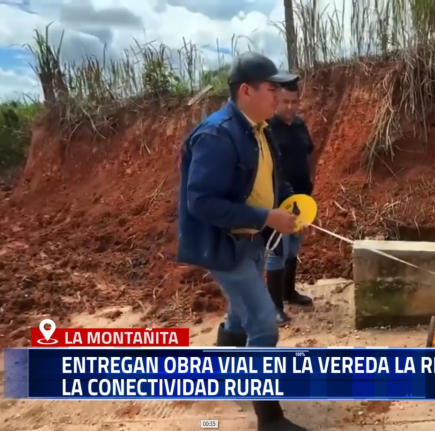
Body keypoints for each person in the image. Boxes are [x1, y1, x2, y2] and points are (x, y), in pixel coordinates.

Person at [177, 52, 308, 431]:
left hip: (253, 241)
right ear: (246, 90)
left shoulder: (259, 128)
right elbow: (200, 200)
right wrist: (267, 217)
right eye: (272, 89)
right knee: (264, 324)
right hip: (225, 246)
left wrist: (289, 206)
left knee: (240, 312)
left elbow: (270, 177)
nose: (278, 96)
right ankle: (270, 419)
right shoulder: (217, 135)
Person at [265, 80, 316, 325]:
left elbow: (309, 153)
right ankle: (274, 307)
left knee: (293, 247)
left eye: (294, 101)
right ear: (276, 100)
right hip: (278, 202)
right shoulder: (267, 129)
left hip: (302, 199)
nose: (290, 106)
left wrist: (310, 184)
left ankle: (289, 293)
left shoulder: (299, 125)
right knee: (277, 251)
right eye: (285, 101)